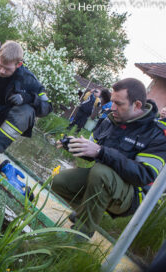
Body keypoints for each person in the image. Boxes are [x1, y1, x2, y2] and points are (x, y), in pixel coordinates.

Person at [51, 78, 166, 238]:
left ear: (137, 105)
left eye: (119, 104)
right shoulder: (111, 120)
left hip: (132, 195)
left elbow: (145, 175)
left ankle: (80, 234)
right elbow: (93, 151)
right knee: (60, 182)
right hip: (103, 180)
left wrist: (101, 152)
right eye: (112, 102)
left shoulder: (157, 134)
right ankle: (87, 213)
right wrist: (74, 144)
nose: (112, 108)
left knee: (101, 172)